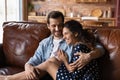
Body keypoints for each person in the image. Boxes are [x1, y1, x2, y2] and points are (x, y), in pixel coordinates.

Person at [0, 11, 104, 80]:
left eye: (60, 25)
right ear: (48, 26)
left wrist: (90, 55)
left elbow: (99, 48)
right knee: (43, 66)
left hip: (64, 74)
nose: (58, 29)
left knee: (52, 61)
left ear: (64, 24)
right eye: (54, 26)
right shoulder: (44, 43)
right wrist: (27, 66)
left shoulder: (72, 39)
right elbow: (33, 60)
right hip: (43, 75)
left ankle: (8, 78)